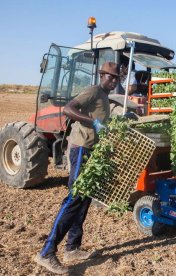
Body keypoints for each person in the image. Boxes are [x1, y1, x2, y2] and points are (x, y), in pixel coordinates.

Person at [34, 62, 120, 274]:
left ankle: (72, 248)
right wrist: (93, 123)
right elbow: (69, 109)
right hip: (81, 148)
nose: (114, 81)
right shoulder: (93, 91)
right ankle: (46, 252)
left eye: (117, 78)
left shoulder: (104, 96)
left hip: (92, 150)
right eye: (111, 77)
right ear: (102, 75)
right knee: (74, 198)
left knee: (84, 199)